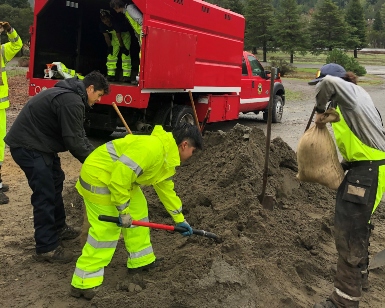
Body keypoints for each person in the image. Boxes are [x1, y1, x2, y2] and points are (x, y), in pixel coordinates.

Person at [70, 123, 203, 300]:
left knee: (139, 210)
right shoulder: (151, 149)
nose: (191, 157)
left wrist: (179, 219)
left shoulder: (166, 156)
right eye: (193, 151)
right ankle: (83, 284)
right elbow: (119, 179)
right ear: (184, 145)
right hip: (99, 178)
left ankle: (141, 261)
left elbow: (166, 190)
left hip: (120, 180)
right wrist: (123, 211)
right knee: (105, 233)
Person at [4, 71, 110, 264]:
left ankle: (59, 227)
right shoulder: (72, 101)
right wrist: (98, 165)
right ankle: (46, 247)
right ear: (90, 88)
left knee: (55, 181)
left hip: (40, 144)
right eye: (99, 95)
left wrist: (96, 156)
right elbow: (74, 142)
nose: (99, 99)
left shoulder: (71, 96)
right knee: (44, 193)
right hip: (29, 146)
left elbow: (78, 135)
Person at [309, 64, 385, 308]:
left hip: (367, 173)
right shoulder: (355, 97)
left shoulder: (348, 94)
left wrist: (320, 109)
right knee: (359, 225)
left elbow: (327, 84)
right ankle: (360, 277)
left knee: (349, 232)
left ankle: (343, 302)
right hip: (367, 170)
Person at [0, 21, 23, 204]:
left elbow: (17, 44)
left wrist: (9, 30)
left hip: (0, 107)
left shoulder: (1, 51)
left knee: (0, 146)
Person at [99, 9, 134, 84]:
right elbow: (107, 37)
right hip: (115, 37)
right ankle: (111, 75)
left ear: (109, 17)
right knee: (111, 55)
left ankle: (126, 76)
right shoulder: (102, 25)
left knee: (125, 54)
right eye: (103, 19)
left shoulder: (115, 23)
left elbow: (119, 36)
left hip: (124, 35)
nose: (105, 21)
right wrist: (109, 47)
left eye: (106, 18)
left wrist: (122, 47)